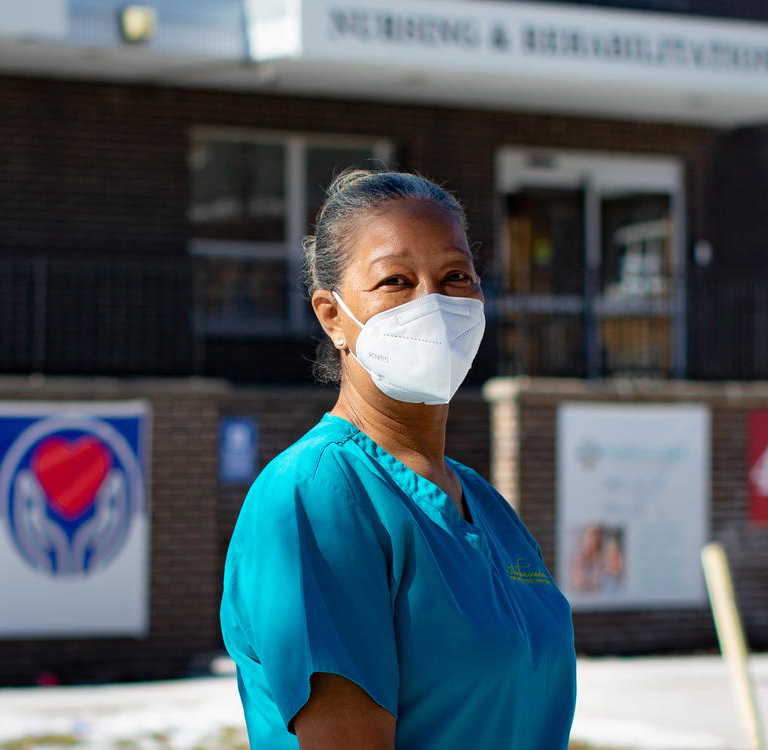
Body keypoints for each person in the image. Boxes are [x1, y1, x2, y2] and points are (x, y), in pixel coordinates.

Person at [220, 169, 577, 749]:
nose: (433, 303)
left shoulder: (483, 504)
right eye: (395, 281)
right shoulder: (317, 495)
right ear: (332, 315)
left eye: (455, 276)